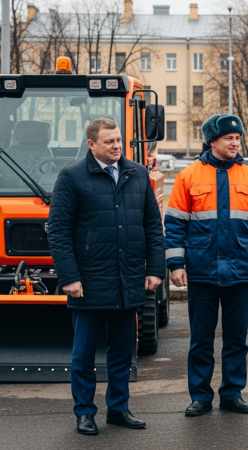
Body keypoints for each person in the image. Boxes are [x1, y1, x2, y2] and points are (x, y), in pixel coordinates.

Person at [48, 117, 165, 435]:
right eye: (109, 141)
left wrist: (155, 268)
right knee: (84, 355)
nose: (116, 146)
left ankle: (118, 409)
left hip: (128, 280)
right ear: (91, 145)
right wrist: (69, 276)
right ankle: (85, 412)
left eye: (118, 140)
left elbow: (152, 225)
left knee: (122, 351)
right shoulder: (72, 177)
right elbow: (58, 230)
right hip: (87, 282)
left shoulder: (137, 173)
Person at [164, 114, 248, 417]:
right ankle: (200, 395)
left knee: (236, 340)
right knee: (201, 340)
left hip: (239, 271)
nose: (235, 143)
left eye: (237, 139)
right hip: (201, 271)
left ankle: (232, 393)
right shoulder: (188, 176)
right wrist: (175, 265)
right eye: (229, 139)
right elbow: (173, 225)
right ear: (213, 141)